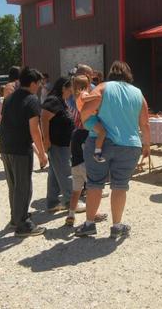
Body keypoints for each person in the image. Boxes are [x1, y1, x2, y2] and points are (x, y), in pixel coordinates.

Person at [75, 61, 150, 239]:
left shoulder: (102, 88)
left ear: (111, 74)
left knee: (94, 183)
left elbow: (85, 112)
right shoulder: (138, 93)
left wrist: (92, 125)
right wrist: (147, 144)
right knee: (120, 186)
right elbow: (145, 123)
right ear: (128, 74)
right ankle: (117, 226)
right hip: (130, 145)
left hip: (101, 143)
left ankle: (89, 224)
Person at [0, 67, 48, 237]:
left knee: (13, 185)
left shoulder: (9, 98)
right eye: (39, 83)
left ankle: (16, 218)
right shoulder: (32, 99)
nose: (40, 86)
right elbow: (35, 130)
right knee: (24, 186)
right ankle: (23, 224)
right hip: (20, 149)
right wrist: (42, 153)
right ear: (33, 83)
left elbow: (3, 122)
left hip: (5, 147)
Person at [65, 75, 107, 227]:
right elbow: (89, 99)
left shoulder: (75, 96)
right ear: (87, 84)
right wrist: (99, 96)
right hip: (85, 164)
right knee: (92, 188)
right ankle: (93, 214)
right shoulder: (84, 94)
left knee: (76, 190)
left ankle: (71, 214)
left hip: (75, 164)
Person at [41, 77, 84, 213]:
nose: (72, 91)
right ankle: (70, 202)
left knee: (54, 174)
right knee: (66, 173)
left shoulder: (61, 101)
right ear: (63, 88)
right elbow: (44, 118)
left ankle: (52, 202)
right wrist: (46, 139)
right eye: (70, 88)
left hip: (62, 143)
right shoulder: (53, 100)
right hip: (57, 144)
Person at [75, 76, 107, 163]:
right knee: (102, 132)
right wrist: (96, 96)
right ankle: (97, 152)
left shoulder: (78, 95)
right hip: (90, 120)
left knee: (98, 134)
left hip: (89, 120)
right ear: (87, 85)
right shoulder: (83, 93)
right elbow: (84, 98)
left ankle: (94, 148)